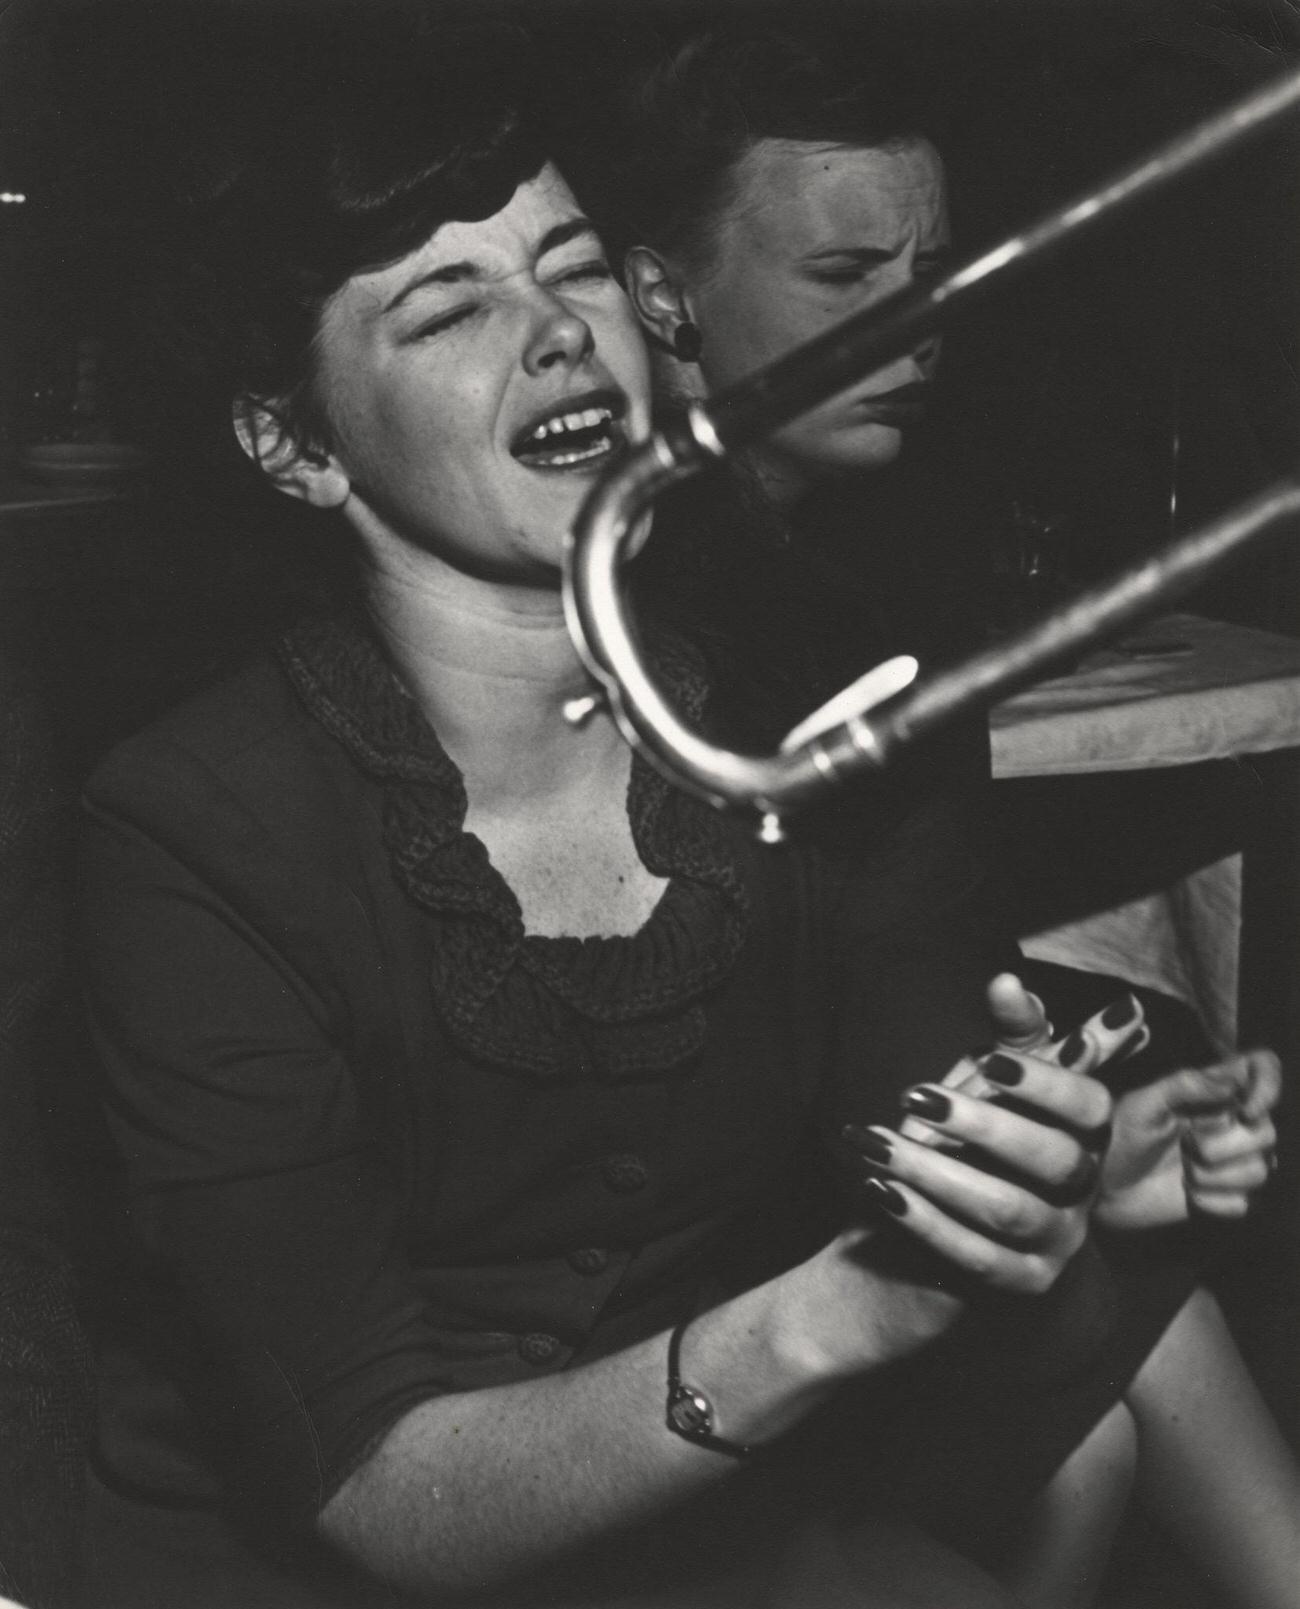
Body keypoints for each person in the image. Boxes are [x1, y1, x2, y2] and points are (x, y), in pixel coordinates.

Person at [78, 30, 1283, 1609]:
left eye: (568, 268)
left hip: (688, 1507)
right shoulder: (194, 833)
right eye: (451, 307)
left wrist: (1056, 1160)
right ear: (294, 445)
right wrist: (827, 1314)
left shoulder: (802, 709)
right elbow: (376, 1494)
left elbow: (900, 1112)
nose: (558, 334)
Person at [587, 16, 1300, 1605]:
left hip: (815, 1204)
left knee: (1111, 1375)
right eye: (848, 282)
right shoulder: (660, 592)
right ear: (659, 293)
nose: (919, 328)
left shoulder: (822, 548)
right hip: (680, 1310)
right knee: (1131, 1311)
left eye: (937, 274)